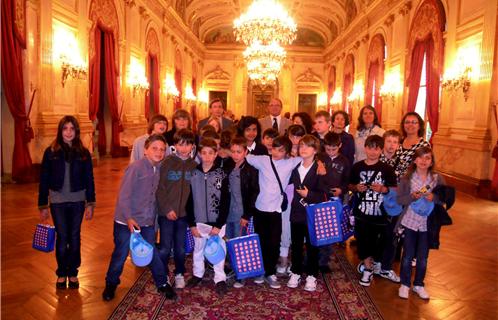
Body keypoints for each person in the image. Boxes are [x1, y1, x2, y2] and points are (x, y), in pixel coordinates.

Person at [102, 134, 175, 301]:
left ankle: (162, 283)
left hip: (146, 221)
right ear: (145, 150)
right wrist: (128, 218)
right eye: (155, 148)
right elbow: (124, 195)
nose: (158, 152)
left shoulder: (160, 169)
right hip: (125, 221)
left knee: (151, 252)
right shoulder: (136, 168)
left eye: (162, 149)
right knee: (120, 253)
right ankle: (111, 283)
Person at [38, 115, 96, 290]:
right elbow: (44, 179)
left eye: (72, 129)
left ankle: (73, 272)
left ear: (76, 131)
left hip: (78, 200)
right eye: (65, 128)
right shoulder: (51, 152)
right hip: (58, 201)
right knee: (63, 237)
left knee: (75, 236)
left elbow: (89, 178)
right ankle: (62, 272)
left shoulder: (84, 153)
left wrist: (90, 203)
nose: (68, 132)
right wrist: (43, 205)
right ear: (60, 130)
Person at [246, 136, 302, 289]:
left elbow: (308, 157)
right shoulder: (263, 160)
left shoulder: (290, 162)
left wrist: (321, 164)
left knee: (274, 242)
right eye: (274, 149)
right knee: (261, 241)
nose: (276, 152)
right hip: (260, 208)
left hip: (276, 210)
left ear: (287, 152)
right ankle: (260, 270)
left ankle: (270, 272)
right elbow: (245, 156)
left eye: (281, 150)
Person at [397, 147, 445, 300]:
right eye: (421, 158)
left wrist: (434, 198)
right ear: (415, 160)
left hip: (427, 224)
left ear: (431, 162)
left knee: (423, 257)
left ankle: (418, 284)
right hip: (410, 221)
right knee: (407, 255)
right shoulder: (407, 179)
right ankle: (404, 284)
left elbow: (445, 200)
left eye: (428, 158)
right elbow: (400, 200)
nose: (424, 161)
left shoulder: (437, 179)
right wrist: (412, 197)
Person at [349, 135, 397, 287]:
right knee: (363, 240)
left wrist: (383, 189)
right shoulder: (357, 167)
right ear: (365, 148)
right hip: (361, 212)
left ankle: (371, 264)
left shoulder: (387, 169)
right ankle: (368, 269)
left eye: (377, 149)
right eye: (370, 148)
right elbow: (349, 185)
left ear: (381, 150)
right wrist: (356, 187)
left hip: (380, 214)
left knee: (378, 241)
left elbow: (394, 189)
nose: (373, 152)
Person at [186, 138, 230, 296]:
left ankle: (220, 278)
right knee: (199, 248)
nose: (207, 156)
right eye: (203, 153)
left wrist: (219, 224)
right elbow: (188, 200)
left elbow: (226, 200)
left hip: (216, 221)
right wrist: (191, 224)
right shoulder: (193, 173)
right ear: (199, 154)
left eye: (210, 153)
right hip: (199, 221)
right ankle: (197, 274)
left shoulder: (221, 174)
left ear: (216, 154)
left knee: (218, 249)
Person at [156, 129, 197, 290]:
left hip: (183, 216)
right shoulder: (167, 162)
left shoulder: (194, 166)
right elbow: (160, 188)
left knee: (180, 248)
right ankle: (164, 272)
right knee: (165, 247)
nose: (184, 148)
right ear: (174, 146)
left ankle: (179, 272)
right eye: (180, 144)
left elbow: (195, 193)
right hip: (166, 214)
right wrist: (167, 209)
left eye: (187, 145)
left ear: (192, 146)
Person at [287, 135, 326, 292]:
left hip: (312, 214)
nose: (303, 149)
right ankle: (296, 271)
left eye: (307, 146)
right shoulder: (295, 167)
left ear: (315, 150)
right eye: (301, 145)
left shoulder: (320, 169)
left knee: (312, 246)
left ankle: (311, 274)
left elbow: (324, 195)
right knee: (296, 244)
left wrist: (308, 195)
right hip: (296, 212)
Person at [225, 137, 260, 288]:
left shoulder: (250, 170)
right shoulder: (227, 166)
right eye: (233, 151)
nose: (235, 155)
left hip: (241, 213)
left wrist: (247, 215)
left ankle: (242, 275)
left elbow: (254, 193)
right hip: (228, 213)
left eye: (239, 152)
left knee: (240, 243)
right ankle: (233, 267)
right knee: (229, 241)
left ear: (245, 152)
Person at [317, 132, 351, 273]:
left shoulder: (344, 161)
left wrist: (341, 190)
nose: (330, 152)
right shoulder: (319, 158)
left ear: (340, 146)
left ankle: (324, 260)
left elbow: (347, 181)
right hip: (320, 198)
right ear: (324, 146)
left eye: (334, 149)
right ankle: (314, 257)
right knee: (318, 230)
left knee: (330, 231)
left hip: (336, 200)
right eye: (328, 149)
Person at [377, 130, 403, 283]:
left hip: (393, 204)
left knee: (391, 235)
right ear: (383, 142)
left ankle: (386, 267)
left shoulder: (401, 162)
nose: (391, 145)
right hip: (376, 202)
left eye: (395, 142)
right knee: (377, 234)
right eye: (389, 141)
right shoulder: (375, 159)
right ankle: (376, 262)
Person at [396, 112, 431, 178]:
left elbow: (425, 168)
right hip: (392, 183)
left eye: (414, 122)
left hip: (412, 184)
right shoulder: (398, 142)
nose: (410, 125)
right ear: (403, 125)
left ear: (419, 126)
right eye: (407, 122)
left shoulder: (424, 145)